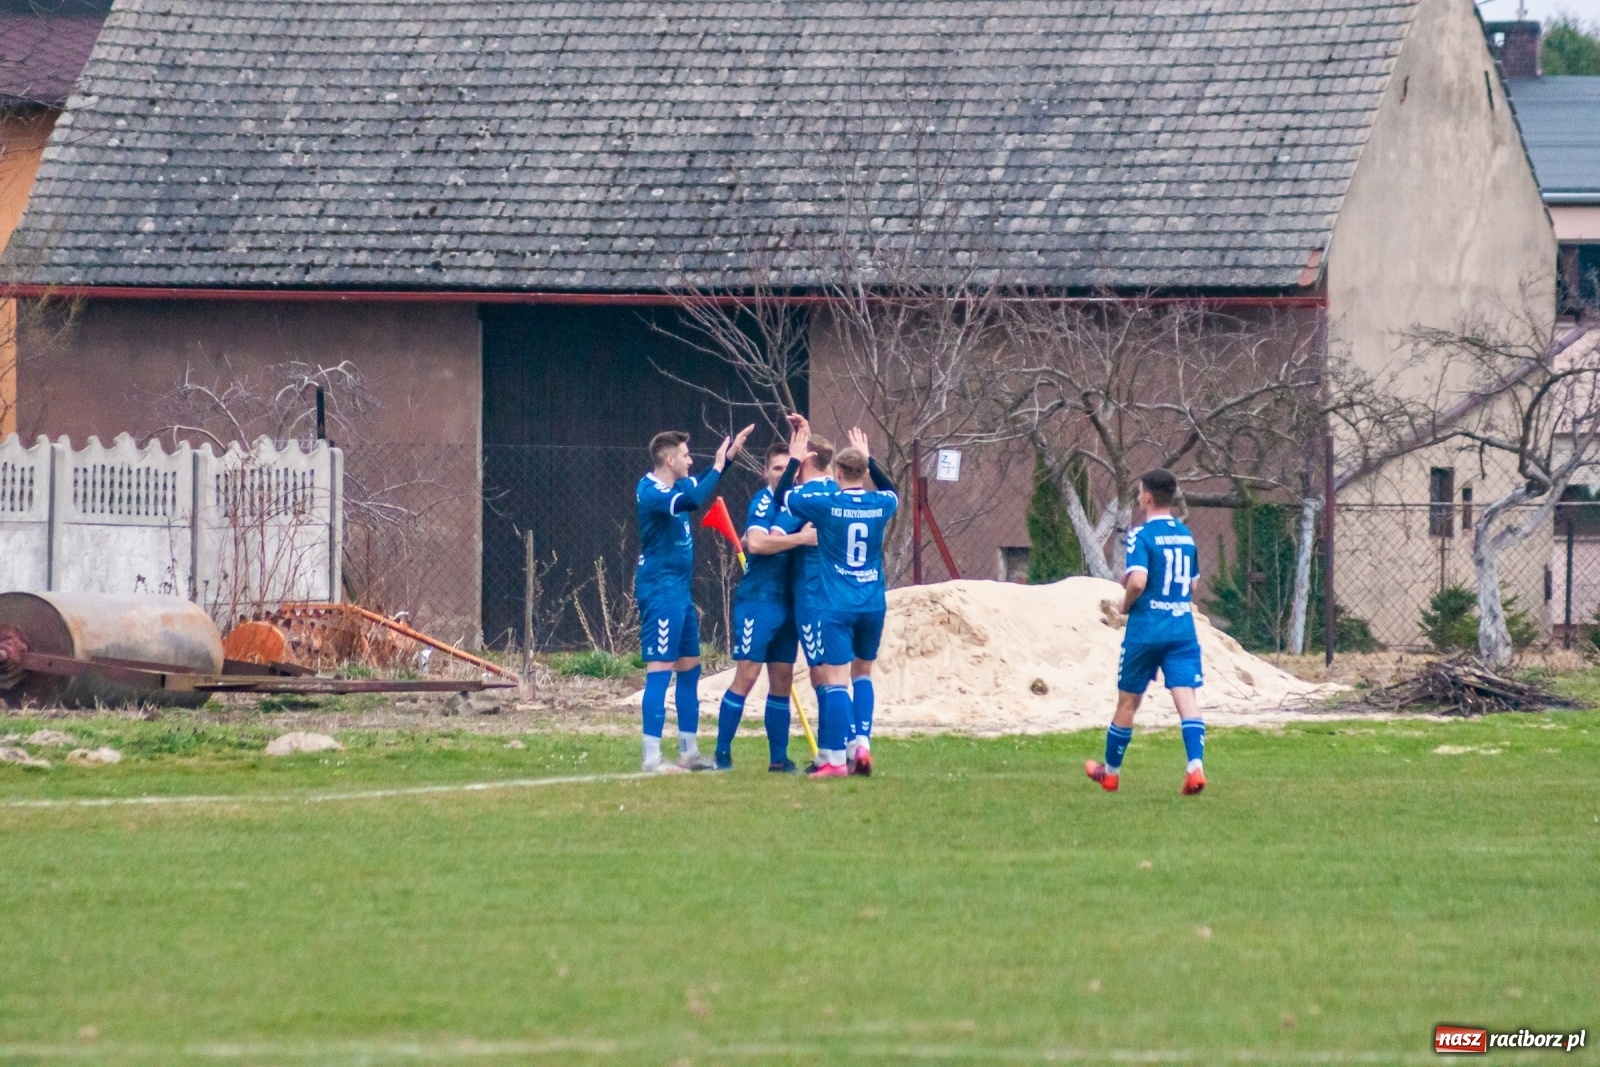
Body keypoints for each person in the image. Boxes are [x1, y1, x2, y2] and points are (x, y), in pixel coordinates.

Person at [778, 415, 898, 778]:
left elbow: (784, 496)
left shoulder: (828, 505)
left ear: (838, 476)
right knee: (863, 675)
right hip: (873, 603)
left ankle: (832, 760)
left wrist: (796, 459)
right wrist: (870, 459)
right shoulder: (882, 505)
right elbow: (891, 488)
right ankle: (861, 743)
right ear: (863, 472)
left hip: (837, 605)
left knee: (834, 681)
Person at [635, 424, 753, 773]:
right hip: (660, 592)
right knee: (660, 672)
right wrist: (717, 467)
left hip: (680, 593)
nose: (691, 460)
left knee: (690, 669)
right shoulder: (652, 490)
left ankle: (689, 752)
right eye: (686, 455)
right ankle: (651, 758)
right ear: (669, 460)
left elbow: (697, 484)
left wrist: (727, 461)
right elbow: (693, 500)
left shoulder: (679, 482)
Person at [1085, 468, 1207, 795]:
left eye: (1140, 493)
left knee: (1128, 701)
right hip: (1181, 628)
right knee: (1186, 698)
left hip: (1146, 630)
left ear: (1148, 497)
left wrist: (1125, 604)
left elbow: (1137, 581)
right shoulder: (1185, 535)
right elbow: (1193, 583)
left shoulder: (1141, 535)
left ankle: (1110, 773)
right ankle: (1195, 766)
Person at [713, 441, 817, 772]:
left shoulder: (801, 503)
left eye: (791, 468)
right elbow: (756, 543)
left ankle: (778, 759)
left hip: (790, 602)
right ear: (766, 472)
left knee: (783, 679)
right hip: (759, 600)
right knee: (747, 675)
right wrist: (799, 539)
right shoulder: (764, 500)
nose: (785, 473)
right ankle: (721, 754)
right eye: (777, 467)